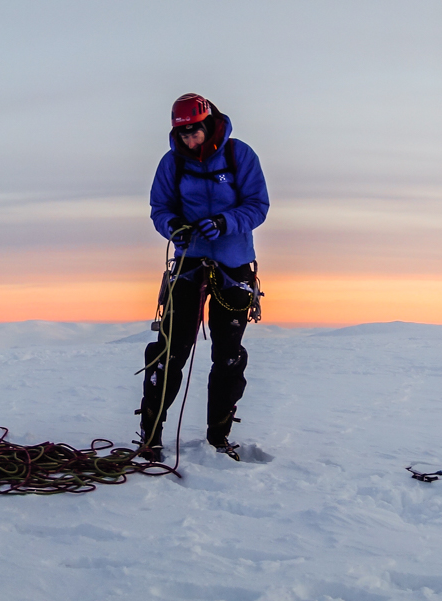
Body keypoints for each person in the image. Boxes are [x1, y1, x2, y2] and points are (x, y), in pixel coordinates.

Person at [136, 93, 269, 462]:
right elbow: (159, 208)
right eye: (182, 135)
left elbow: (258, 205)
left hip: (233, 267)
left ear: (207, 124)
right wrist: (173, 226)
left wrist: (227, 223)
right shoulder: (172, 163)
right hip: (189, 265)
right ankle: (151, 436)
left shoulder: (239, 156)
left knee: (228, 356)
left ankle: (219, 437)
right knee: (169, 351)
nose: (189, 140)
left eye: (194, 133)